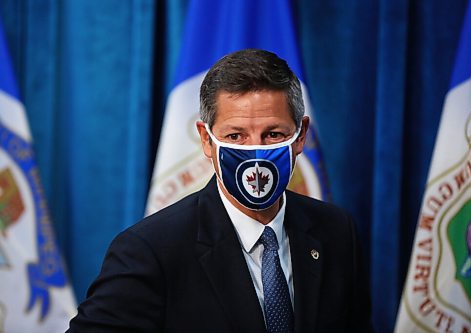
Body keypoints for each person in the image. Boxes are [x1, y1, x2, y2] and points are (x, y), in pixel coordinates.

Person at [67, 49, 373, 333]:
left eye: (273, 134)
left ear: (300, 135)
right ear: (206, 140)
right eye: (236, 135)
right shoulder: (150, 251)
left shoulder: (336, 231)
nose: (255, 152)